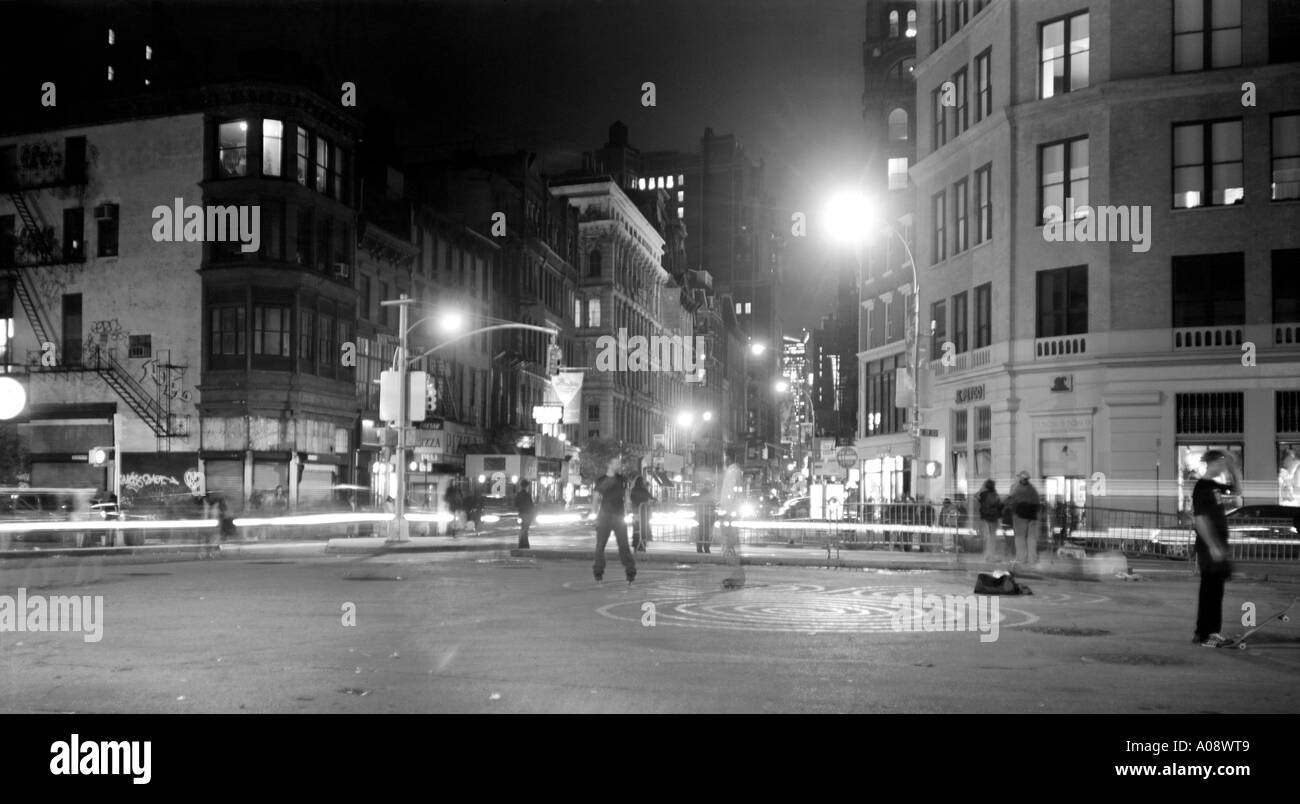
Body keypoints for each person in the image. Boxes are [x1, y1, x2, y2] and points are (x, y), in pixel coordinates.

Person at [1192, 450, 1242, 647]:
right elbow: (1200, 519)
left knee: (1215, 590)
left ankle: (1206, 632)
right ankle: (1207, 633)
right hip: (1209, 547)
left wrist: (1232, 467)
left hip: (1218, 545)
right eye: (1220, 464)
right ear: (1212, 463)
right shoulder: (1202, 488)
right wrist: (1212, 546)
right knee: (1210, 591)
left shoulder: (1213, 486)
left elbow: (1237, 490)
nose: (1222, 467)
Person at [591, 457, 635, 583]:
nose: (619, 465)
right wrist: (594, 514)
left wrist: (629, 509)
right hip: (604, 516)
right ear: (609, 464)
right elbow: (595, 498)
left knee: (624, 545)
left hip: (618, 516)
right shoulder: (601, 480)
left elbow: (626, 497)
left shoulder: (622, 480)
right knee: (600, 546)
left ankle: (630, 571)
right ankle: (598, 572)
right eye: (616, 463)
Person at [1005, 470, 1041, 565]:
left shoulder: (1017, 489)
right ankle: (1032, 559)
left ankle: (1021, 559)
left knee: (1020, 539)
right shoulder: (1032, 489)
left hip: (1020, 517)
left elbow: (1011, 501)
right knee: (1032, 539)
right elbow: (1037, 502)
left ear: (1020, 478)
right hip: (1032, 517)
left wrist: (1012, 511)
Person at [975, 479, 1002, 561]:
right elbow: (999, 506)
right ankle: (991, 556)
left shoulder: (983, 495)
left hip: (985, 518)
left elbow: (976, 495)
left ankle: (987, 555)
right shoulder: (995, 495)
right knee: (992, 537)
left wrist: (982, 487)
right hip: (993, 518)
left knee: (987, 537)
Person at [630, 475, 653, 552]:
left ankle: (636, 544)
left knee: (636, 527)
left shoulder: (633, 490)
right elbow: (650, 497)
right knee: (643, 528)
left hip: (635, 511)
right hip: (643, 512)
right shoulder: (643, 490)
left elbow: (632, 499)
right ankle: (642, 544)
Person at [514, 479, 536, 549]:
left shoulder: (519, 495)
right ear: (527, 486)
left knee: (523, 529)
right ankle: (525, 544)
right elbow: (531, 505)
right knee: (525, 530)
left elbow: (516, 504)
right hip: (528, 515)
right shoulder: (527, 495)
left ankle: (522, 544)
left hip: (521, 514)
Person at [695, 483, 715, 553]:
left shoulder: (705, 493)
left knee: (704, 533)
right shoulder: (706, 494)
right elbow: (711, 504)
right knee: (705, 533)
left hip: (705, 516)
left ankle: (702, 547)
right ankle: (704, 548)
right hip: (705, 516)